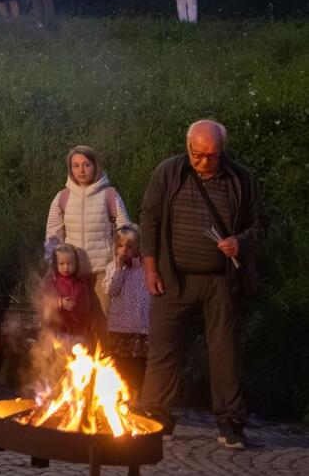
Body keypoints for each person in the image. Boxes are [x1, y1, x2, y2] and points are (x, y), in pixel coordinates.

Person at [138, 120, 268, 449]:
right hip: (173, 277)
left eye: (212, 155)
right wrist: (150, 269)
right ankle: (155, 414)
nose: (204, 162)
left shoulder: (241, 179)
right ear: (188, 147)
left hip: (222, 280)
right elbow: (149, 218)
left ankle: (230, 421)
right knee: (163, 348)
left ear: (222, 151)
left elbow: (261, 224)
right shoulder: (169, 172)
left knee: (225, 351)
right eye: (198, 155)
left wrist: (241, 241)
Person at [43, 145, 131, 316]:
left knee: (102, 322)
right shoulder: (62, 197)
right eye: (76, 166)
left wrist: (120, 261)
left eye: (86, 164)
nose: (81, 170)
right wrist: (54, 264)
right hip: (72, 272)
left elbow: (124, 230)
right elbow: (53, 236)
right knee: (76, 322)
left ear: (95, 166)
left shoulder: (110, 195)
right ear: (70, 169)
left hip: (103, 272)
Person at [103, 225, 150, 395]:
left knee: (138, 367)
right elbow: (111, 290)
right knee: (120, 366)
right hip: (119, 327)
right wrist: (118, 268)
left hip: (140, 327)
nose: (124, 250)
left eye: (129, 247)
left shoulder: (145, 267)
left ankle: (137, 399)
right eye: (120, 246)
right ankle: (121, 400)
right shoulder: (112, 267)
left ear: (137, 247)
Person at [39, 244, 94, 349]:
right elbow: (45, 301)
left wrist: (87, 320)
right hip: (60, 327)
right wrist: (59, 303)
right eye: (62, 263)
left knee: (77, 354)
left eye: (70, 263)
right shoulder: (52, 282)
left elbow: (86, 304)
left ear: (76, 264)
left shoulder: (80, 283)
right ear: (56, 264)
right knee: (61, 354)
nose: (66, 267)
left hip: (78, 328)